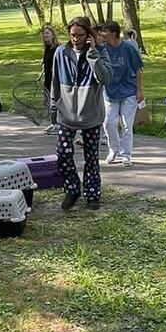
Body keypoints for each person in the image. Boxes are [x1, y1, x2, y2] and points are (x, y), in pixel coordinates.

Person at [51, 16, 111, 210]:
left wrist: (93, 54)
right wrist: (54, 104)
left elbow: (105, 78)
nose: (75, 39)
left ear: (89, 35)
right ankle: (72, 189)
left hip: (91, 114)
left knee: (91, 158)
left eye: (80, 35)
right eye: (72, 35)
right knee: (63, 153)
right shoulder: (61, 52)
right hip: (66, 114)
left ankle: (93, 194)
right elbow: (54, 79)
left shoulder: (100, 52)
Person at [99, 20, 146, 166]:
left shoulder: (128, 48)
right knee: (109, 123)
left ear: (113, 33)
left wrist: (139, 90)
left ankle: (126, 155)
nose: (102, 34)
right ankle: (113, 150)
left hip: (128, 91)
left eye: (105, 31)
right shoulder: (103, 48)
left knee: (127, 125)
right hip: (110, 90)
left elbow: (138, 69)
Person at [39, 24, 60, 133]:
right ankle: (53, 123)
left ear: (53, 35)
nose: (45, 35)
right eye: (44, 33)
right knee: (47, 101)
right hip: (47, 79)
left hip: (55, 79)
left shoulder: (57, 48)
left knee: (53, 102)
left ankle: (56, 124)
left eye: (47, 33)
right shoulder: (47, 48)